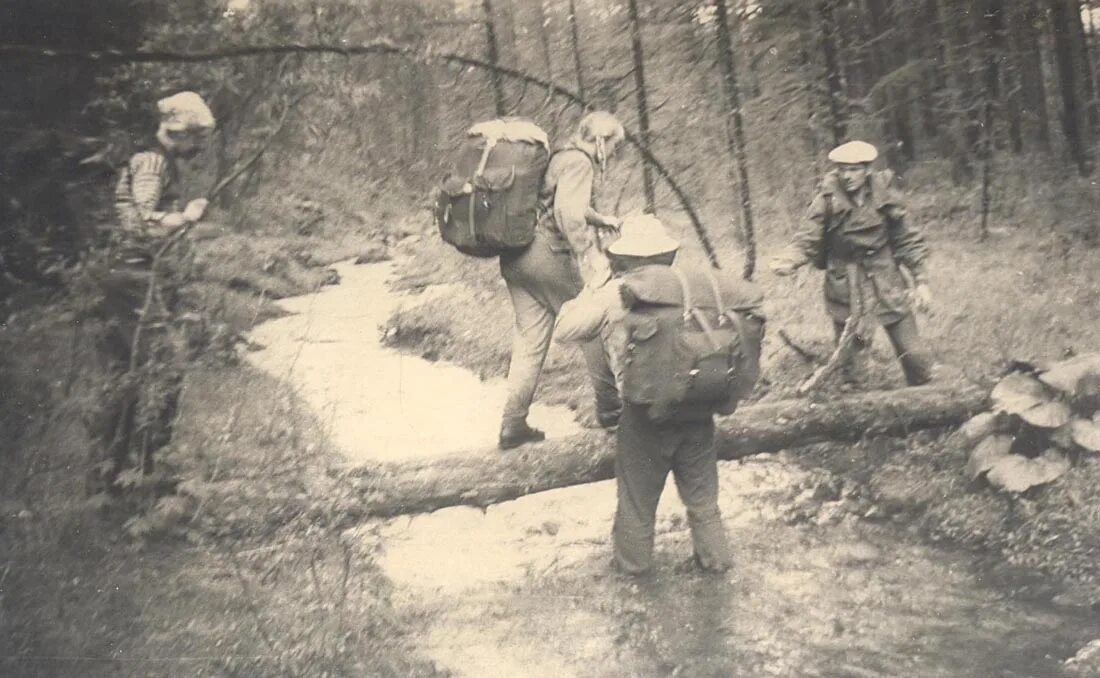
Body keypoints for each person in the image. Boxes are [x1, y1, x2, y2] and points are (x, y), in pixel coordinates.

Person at [556, 215, 764, 574]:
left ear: (627, 258)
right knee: (703, 504)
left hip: (645, 418)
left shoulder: (624, 291)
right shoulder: (702, 286)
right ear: (668, 254)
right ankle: (716, 568)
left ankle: (634, 581)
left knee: (637, 507)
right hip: (700, 411)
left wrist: (595, 287)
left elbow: (565, 330)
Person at [82, 91, 218, 487]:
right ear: (178, 132)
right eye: (195, 138)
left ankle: (108, 480)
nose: (197, 147)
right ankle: (149, 473)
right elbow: (140, 222)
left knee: (122, 376)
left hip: (123, 274)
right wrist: (185, 215)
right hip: (133, 277)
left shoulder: (151, 159)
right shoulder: (152, 161)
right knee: (165, 367)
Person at [497, 111, 625, 450]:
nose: (613, 155)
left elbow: (558, 204)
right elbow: (567, 214)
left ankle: (513, 423)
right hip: (547, 255)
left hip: (517, 257)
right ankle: (612, 412)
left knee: (529, 343)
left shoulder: (560, 157)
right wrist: (589, 254)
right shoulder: (581, 163)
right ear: (600, 141)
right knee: (591, 322)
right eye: (614, 147)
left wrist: (600, 219)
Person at [769, 140, 934, 387]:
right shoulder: (825, 201)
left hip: (886, 281)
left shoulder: (885, 195)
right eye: (842, 169)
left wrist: (921, 282)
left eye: (854, 169)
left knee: (915, 357)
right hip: (846, 284)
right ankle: (857, 413)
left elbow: (906, 239)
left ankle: (927, 407)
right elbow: (807, 239)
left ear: (867, 169)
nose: (847, 176)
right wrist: (789, 261)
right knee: (853, 368)